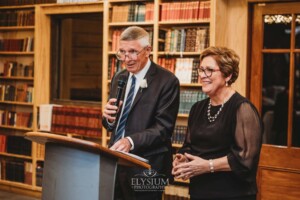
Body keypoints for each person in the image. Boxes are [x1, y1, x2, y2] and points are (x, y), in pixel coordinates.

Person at [172, 46, 263, 200]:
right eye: (201, 70)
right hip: (199, 191)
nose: (203, 75)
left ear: (228, 75)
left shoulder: (243, 109)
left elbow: (245, 159)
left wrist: (207, 166)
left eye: (209, 70)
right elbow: (189, 146)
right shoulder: (197, 108)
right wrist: (182, 158)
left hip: (232, 194)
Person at [102, 26, 180, 200]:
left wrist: (130, 141)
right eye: (121, 52)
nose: (126, 59)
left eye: (132, 52)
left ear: (148, 51)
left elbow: (163, 129)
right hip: (116, 162)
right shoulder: (119, 77)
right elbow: (112, 125)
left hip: (149, 167)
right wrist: (107, 118)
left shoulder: (167, 81)